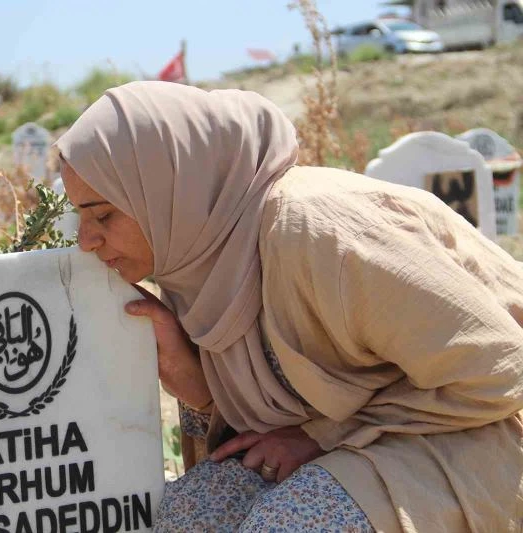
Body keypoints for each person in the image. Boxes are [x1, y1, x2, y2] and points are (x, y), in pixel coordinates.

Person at [55, 80, 523, 532]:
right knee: (190, 515)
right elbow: (284, 409)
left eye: (104, 215)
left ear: (166, 188)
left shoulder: (318, 230)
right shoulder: (199, 256)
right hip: (381, 437)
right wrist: (199, 384)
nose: (87, 241)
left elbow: (499, 370)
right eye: (81, 216)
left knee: (292, 522)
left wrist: (320, 438)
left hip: (484, 428)